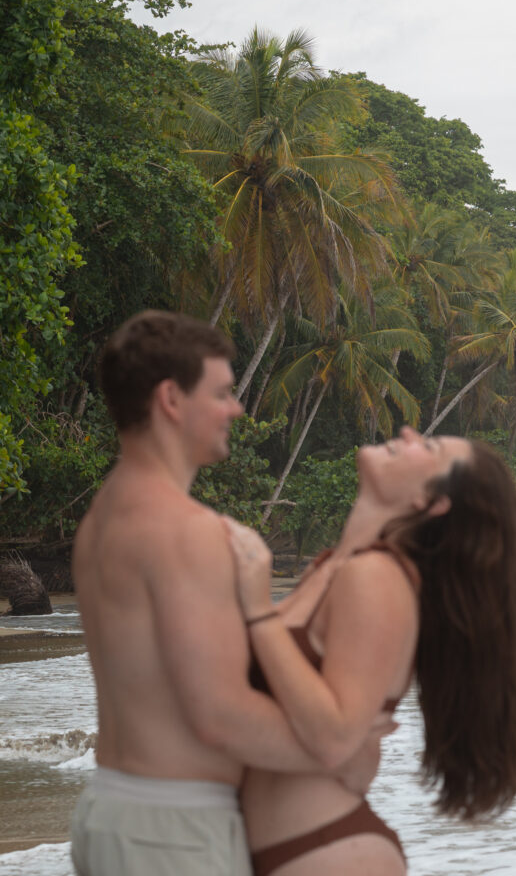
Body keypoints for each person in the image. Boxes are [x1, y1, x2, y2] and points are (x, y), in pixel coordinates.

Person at [69, 311, 383, 876]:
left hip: (116, 806)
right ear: (171, 399)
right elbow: (219, 714)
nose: (236, 409)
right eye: (221, 392)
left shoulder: (105, 516)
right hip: (173, 832)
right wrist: (335, 750)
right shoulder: (186, 531)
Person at [229, 427, 516, 876]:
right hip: (285, 849)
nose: (409, 433)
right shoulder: (333, 567)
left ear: (431, 503)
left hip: (325, 854)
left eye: (429, 448)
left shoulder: (376, 576)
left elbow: (336, 737)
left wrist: (257, 611)